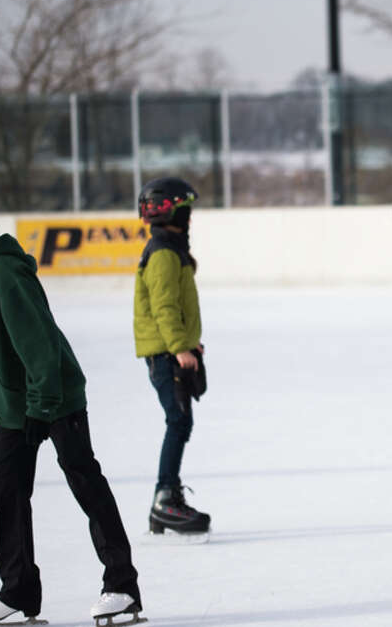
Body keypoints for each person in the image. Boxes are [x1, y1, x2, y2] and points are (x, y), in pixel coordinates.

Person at [0, 178, 143, 626]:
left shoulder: (5, 274)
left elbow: (39, 347)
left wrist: (42, 408)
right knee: (7, 490)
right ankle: (18, 591)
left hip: (55, 400)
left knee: (84, 482)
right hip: (14, 408)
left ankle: (122, 586)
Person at [134, 176, 211, 536]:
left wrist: (189, 343)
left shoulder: (170, 249)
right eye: (186, 212)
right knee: (178, 421)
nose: (190, 219)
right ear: (170, 215)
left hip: (171, 349)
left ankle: (163, 501)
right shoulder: (164, 253)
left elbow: (177, 306)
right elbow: (164, 306)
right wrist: (179, 346)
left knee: (180, 421)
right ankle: (165, 500)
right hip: (165, 353)